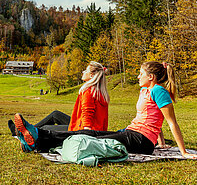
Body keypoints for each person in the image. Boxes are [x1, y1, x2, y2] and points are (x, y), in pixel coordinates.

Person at [14, 61, 197, 159]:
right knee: (91, 135)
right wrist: (161, 142)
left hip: (141, 141)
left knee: (89, 137)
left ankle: (38, 135)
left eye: (141, 74)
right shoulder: (145, 90)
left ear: (151, 76)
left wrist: (183, 152)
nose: (138, 76)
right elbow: (152, 118)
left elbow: (171, 122)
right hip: (132, 133)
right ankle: (36, 141)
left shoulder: (159, 91)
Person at [8, 61, 109, 135]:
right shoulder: (101, 92)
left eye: (85, 70)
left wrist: (86, 134)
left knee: (45, 128)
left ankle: (24, 133)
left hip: (85, 130)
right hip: (97, 129)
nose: (83, 72)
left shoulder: (88, 91)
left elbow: (88, 114)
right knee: (56, 114)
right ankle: (24, 131)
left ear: (91, 75)